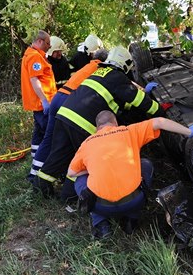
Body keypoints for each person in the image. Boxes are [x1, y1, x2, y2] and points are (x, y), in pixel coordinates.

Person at [32, 45, 163, 199]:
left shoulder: (99, 72)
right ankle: (69, 197)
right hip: (83, 124)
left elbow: (118, 100)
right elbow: (141, 102)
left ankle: (40, 187)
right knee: (85, 160)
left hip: (64, 114)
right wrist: (161, 111)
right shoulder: (118, 77)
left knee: (58, 154)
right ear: (125, 64)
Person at [68, 111, 193, 238]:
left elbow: (71, 172)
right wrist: (189, 132)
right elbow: (160, 122)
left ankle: (100, 223)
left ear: (97, 128)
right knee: (146, 164)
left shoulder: (86, 143)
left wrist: (91, 169)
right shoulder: (128, 131)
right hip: (133, 201)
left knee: (80, 178)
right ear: (115, 123)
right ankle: (131, 219)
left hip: (100, 206)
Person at [28, 48, 108, 179]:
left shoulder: (88, 66)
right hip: (67, 101)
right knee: (66, 141)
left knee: (49, 138)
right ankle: (69, 175)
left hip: (57, 98)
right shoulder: (101, 69)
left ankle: (34, 174)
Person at [20, 30, 57, 159]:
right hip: (42, 103)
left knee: (39, 131)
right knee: (49, 133)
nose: (49, 46)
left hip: (39, 103)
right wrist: (44, 100)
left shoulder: (31, 54)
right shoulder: (35, 56)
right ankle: (45, 159)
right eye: (48, 43)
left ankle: (36, 156)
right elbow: (34, 79)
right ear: (40, 41)